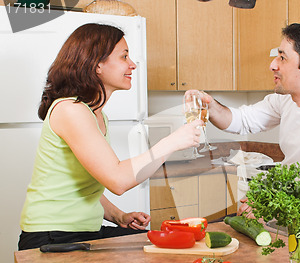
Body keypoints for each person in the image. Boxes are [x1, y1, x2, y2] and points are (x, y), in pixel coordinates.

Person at [18, 23, 202, 250]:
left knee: (152, 249)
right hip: (52, 237)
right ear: (97, 65)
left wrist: (119, 216)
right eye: (124, 57)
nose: (132, 64)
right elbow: (118, 180)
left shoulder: (97, 115)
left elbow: (85, 184)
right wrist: (172, 142)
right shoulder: (70, 110)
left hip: (80, 231)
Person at [187, 22, 300, 208]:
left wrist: (271, 208)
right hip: (290, 215)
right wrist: (211, 106)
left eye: (282, 58)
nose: (272, 65)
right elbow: (243, 121)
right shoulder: (288, 99)